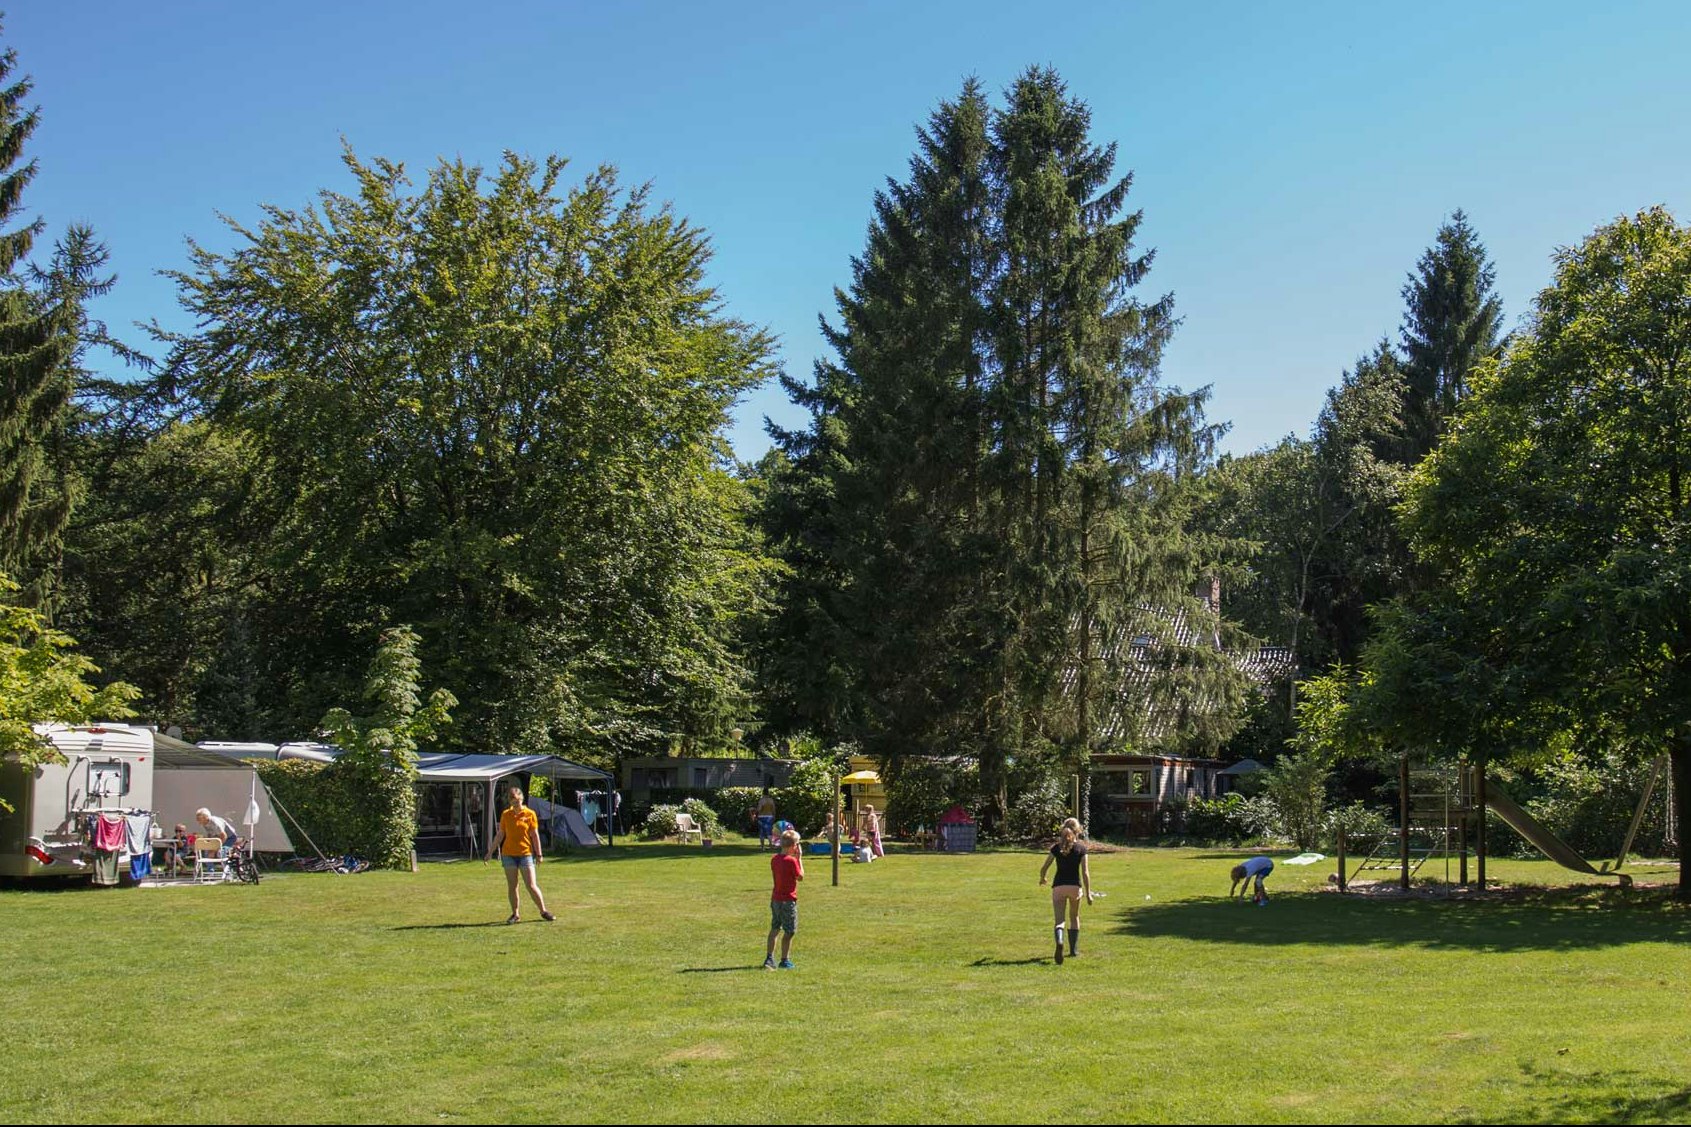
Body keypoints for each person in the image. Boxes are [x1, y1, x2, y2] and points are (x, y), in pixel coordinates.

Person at [486, 785, 555, 924]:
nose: (515, 804)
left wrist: (539, 854)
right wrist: (490, 852)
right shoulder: (506, 814)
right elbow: (500, 835)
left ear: (522, 799)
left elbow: (534, 835)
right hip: (508, 854)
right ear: (509, 802)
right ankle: (515, 914)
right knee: (513, 885)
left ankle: (543, 911)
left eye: (517, 801)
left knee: (531, 885)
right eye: (512, 801)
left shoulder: (530, 814)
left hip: (525, 854)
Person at [1038, 822, 1092, 964]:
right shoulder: (1081, 848)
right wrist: (1088, 893)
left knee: (1059, 920)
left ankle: (1060, 941)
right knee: (1074, 917)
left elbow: (1044, 868)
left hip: (1058, 887)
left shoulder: (1056, 848)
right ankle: (1073, 950)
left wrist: (1043, 878)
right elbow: (1085, 873)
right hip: (1075, 887)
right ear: (1077, 831)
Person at [764, 827, 804, 969]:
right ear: (794, 846)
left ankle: (769, 958)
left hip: (776, 899)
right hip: (788, 900)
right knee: (790, 931)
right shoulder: (791, 861)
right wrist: (799, 859)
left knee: (775, 927)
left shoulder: (775, 859)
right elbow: (800, 877)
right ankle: (784, 959)